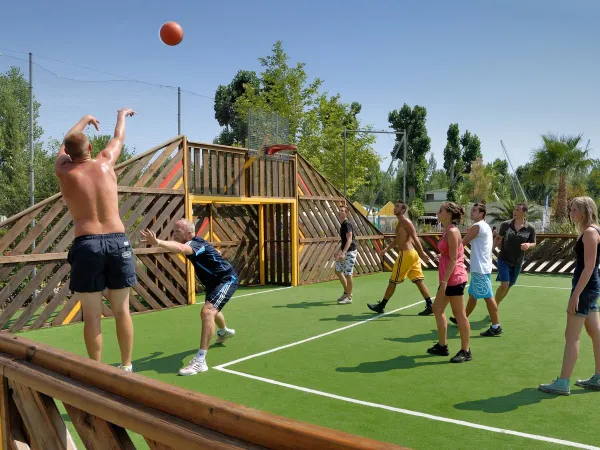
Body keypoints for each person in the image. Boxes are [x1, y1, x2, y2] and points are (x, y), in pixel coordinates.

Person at [55, 109, 137, 371]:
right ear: (90, 147)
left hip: (87, 243)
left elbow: (67, 141)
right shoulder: (105, 162)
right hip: (117, 242)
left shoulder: (65, 170)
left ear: (68, 152)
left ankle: (98, 371)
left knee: (92, 317)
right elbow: (118, 137)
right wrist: (122, 115)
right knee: (122, 311)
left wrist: (84, 120)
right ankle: (126, 366)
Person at [141, 219, 237, 375]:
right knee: (213, 309)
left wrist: (157, 241)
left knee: (207, 312)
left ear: (189, 234)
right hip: (213, 282)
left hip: (226, 279)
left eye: (177, 231)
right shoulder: (197, 244)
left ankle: (200, 361)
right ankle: (224, 331)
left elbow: (180, 248)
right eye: (174, 231)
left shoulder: (194, 244)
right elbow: (207, 251)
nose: (174, 234)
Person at [539, 197, 600, 395]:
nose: (571, 213)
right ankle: (598, 377)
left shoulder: (590, 232)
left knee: (571, 336)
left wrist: (576, 294)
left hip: (585, 288)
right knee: (595, 333)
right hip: (590, 288)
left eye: (574, 210)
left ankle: (563, 382)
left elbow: (589, 267)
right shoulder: (592, 230)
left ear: (584, 211)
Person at [367, 200, 434, 316]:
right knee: (418, 281)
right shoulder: (400, 223)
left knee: (393, 281)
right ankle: (430, 305)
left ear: (403, 210)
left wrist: (422, 253)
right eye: (395, 206)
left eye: (398, 207)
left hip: (407, 254)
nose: (395, 208)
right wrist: (386, 249)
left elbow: (415, 237)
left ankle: (381, 306)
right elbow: (398, 240)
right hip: (411, 255)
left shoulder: (405, 222)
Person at [449, 202, 502, 337]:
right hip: (482, 267)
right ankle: (462, 318)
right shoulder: (485, 226)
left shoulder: (477, 226)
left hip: (480, 268)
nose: (471, 212)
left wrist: (445, 252)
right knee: (473, 296)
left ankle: (496, 326)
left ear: (481, 214)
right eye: (471, 210)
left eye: (474, 210)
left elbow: (462, 243)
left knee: (488, 297)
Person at [427, 202, 471, 363]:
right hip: (448, 278)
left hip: (454, 278)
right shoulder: (446, 231)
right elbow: (451, 254)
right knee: (437, 309)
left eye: (441, 210)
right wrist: (440, 256)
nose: (438, 212)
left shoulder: (452, 231)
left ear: (449, 214)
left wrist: (444, 282)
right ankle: (442, 346)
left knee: (459, 315)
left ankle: (466, 351)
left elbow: (454, 259)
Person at [494, 203, 536, 306]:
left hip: (517, 262)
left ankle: (495, 304)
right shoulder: (506, 225)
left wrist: (528, 245)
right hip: (503, 259)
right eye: (514, 209)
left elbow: (534, 243)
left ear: (524, 213)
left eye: (518, 210)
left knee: (509, 285)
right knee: (505, 284)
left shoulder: (530, 228)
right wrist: (489, 250)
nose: (514, 212)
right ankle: (494, 307)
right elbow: (498, 238)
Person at [335, 204, 358, 304]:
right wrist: (338, 251)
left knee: (348, 274)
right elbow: (344, 241)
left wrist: (343, 253)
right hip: (345, 251)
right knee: (337, 270)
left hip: (350, 252)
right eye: (339, 210)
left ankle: (349, 297)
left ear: (347, 213)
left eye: (342, 211)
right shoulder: (343, 224)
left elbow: (349, 239)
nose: (340, 212)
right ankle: (347, 292)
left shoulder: (347, 224)